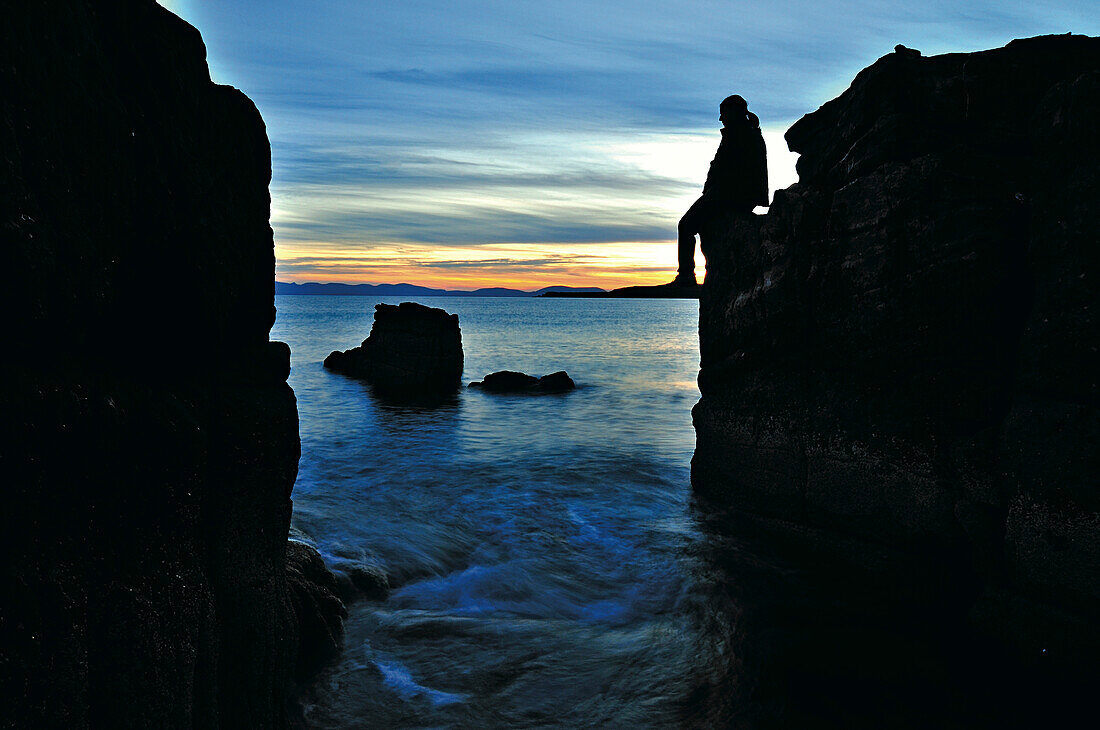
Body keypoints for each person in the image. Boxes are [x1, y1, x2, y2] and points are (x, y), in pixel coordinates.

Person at [674, 95, 768, 285]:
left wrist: (711, 194)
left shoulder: (741, 135)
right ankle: (703, 273)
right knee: (703, 227)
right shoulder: (745, 133)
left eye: (723, 113)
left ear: (733, 112)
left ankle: (686, 275)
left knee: (686, 226)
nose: (720, 119)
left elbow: (727, 171)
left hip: (729, 194)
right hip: (732, 194)